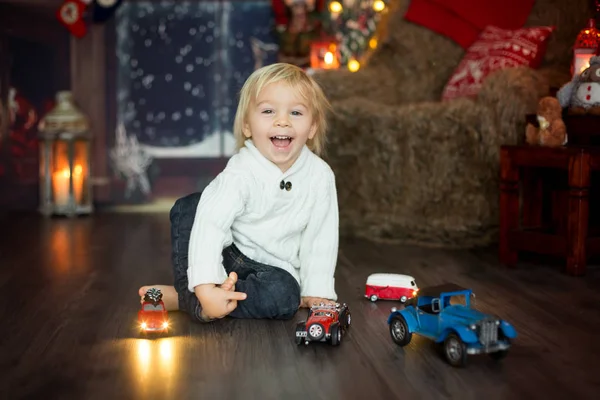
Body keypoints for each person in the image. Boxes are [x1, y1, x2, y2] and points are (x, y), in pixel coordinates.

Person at [139, 62, 339, 322]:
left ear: (312, 127)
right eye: (268, 111)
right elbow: (211, 225)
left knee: (285, 295)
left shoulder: (320, 176)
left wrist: (315, 291)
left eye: (296, 113)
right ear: (247, 126)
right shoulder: (242, 170)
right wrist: (206, 284)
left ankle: (186, 300)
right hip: (228, 251)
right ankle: (202, 296)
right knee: (191, 208)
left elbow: (320, 239)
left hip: (271, 272)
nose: (282, 121)